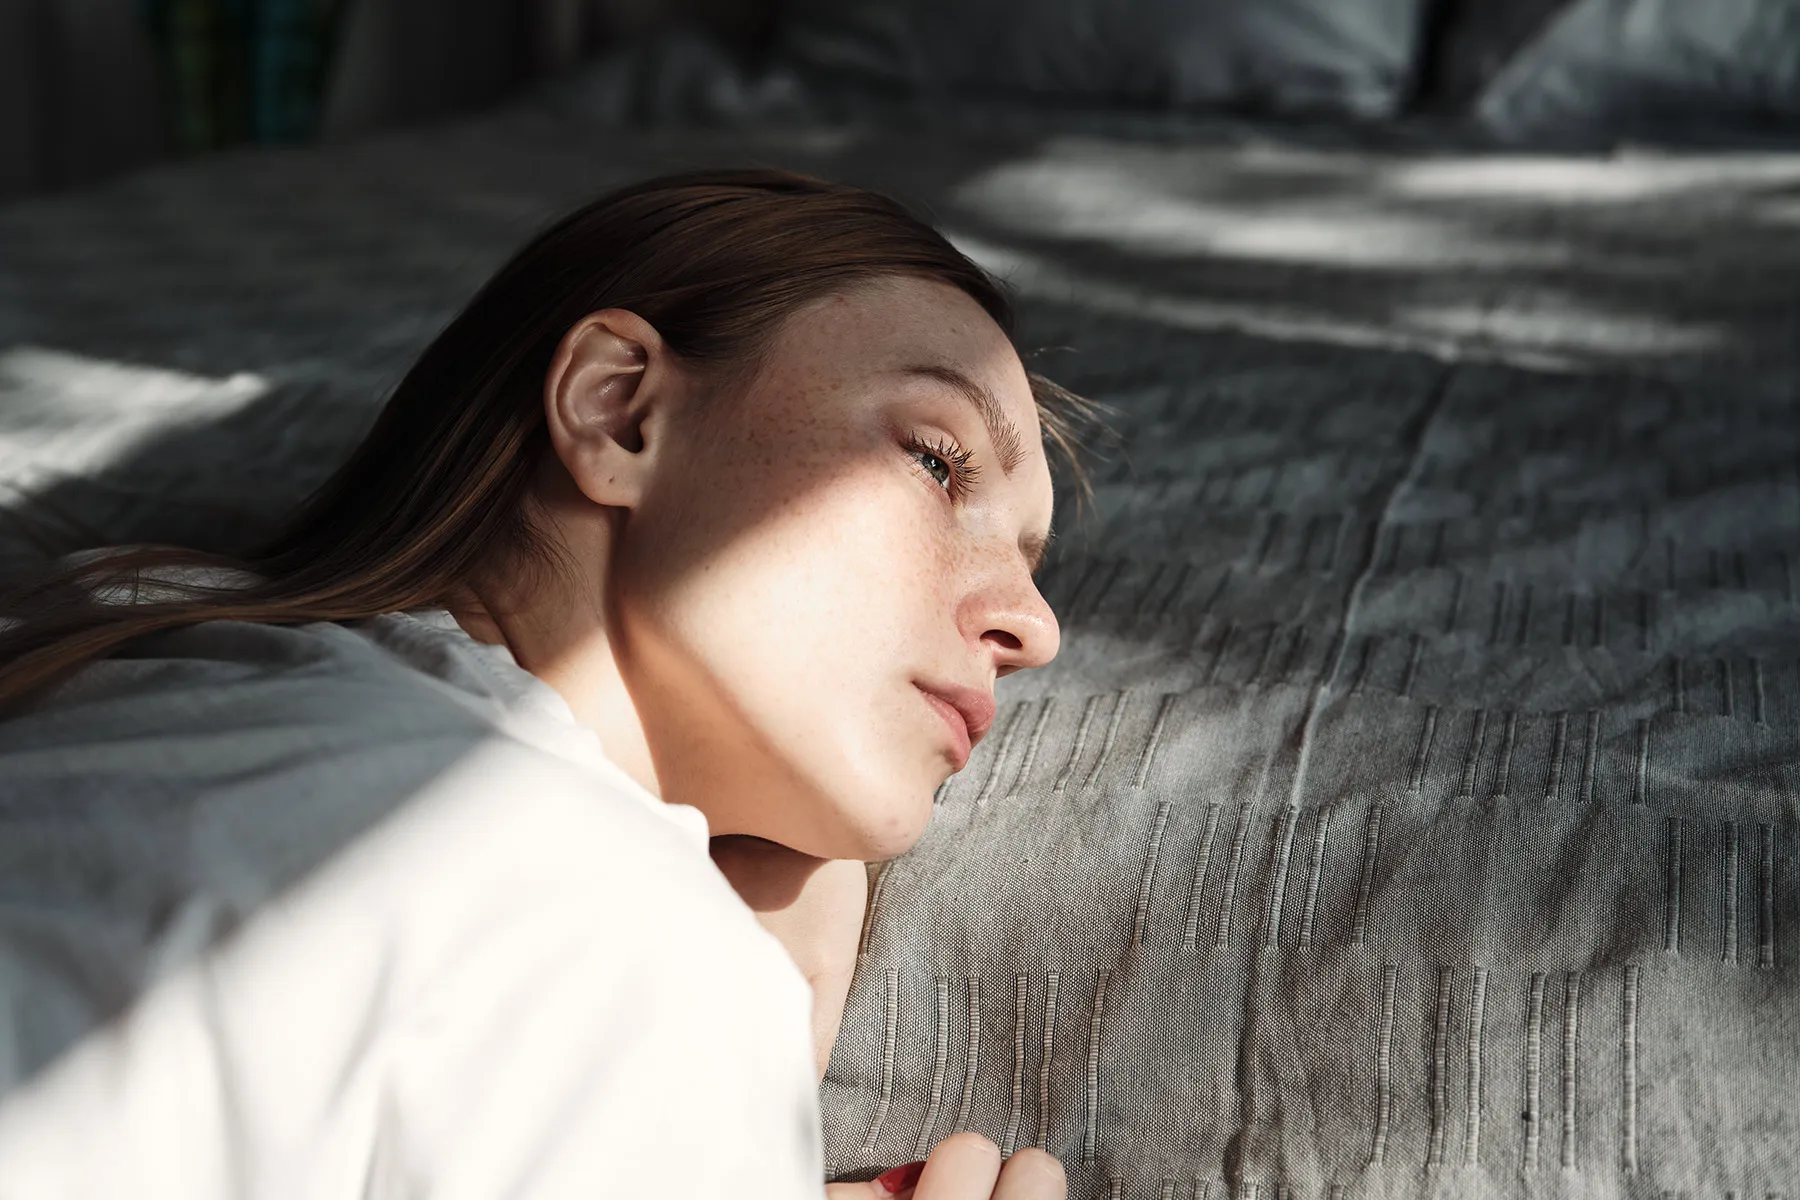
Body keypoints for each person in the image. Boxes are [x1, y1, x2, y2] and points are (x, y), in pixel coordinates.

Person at [0, 169, 1092, 1198]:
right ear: (620, 412)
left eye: (1030, 562)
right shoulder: (608, 930)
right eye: (937, 462)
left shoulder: (128, 633)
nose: (1034, 630)